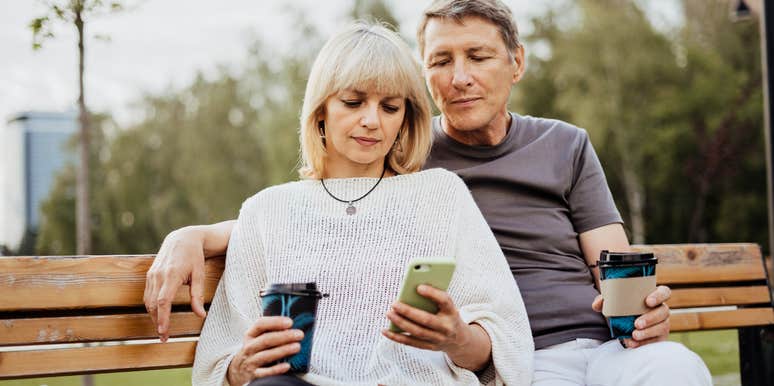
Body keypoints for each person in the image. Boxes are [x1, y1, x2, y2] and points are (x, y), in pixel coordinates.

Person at [146, 1, 712, 385]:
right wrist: (194, 234)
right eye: (441, 61)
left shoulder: (554, 148)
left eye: (478, 57)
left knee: (676, 370)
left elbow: (614, 264)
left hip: (593, 343)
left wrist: (641, 313)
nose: (459, 76)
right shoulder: (399, 166)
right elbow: (314, 215)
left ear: (516, 63)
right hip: (521, 364)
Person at [190, 22, 533, 386]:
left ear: (405, 119)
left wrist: (457, 338)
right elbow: (218, 358)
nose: (371, 121)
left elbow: (507, 343)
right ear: (320, 109)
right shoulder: (265, 211)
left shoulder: (441, 196)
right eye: (353, 103)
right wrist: (239, 368)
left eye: (389, 107)